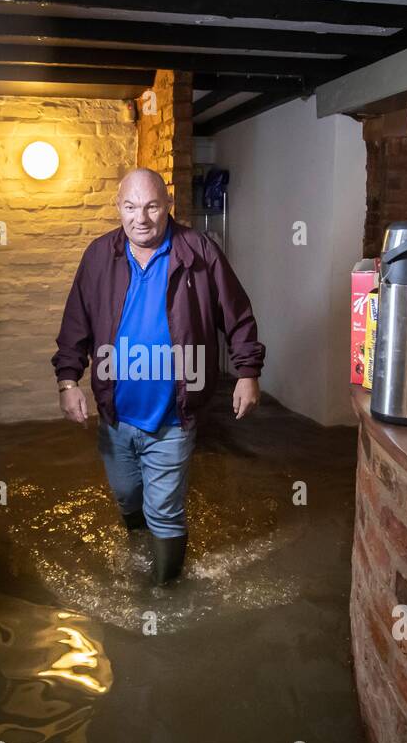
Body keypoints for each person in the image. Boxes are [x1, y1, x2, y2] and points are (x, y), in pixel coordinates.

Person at [52, 168, 266, 585]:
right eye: (130, 207)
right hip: (116, 413)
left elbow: (237, 314)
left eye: (151, 206)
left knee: (164, 508)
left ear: (167, 205)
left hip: (173, 415)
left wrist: (247, 372)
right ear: (118, 207)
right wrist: (67, 382)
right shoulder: (99, 255)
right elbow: (75, 323)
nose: (141, 218)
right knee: (127, 495)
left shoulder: (199, 250)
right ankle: (137, 550)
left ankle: (165, 599)